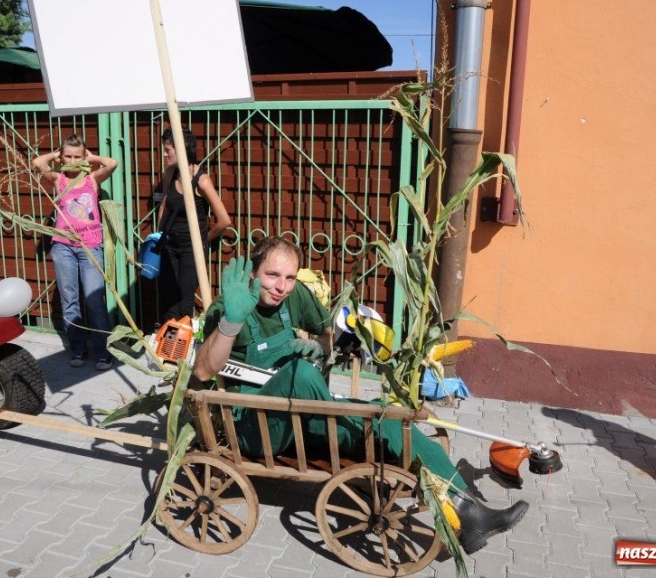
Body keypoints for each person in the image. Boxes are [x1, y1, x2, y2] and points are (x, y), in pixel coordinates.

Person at [192, 236, 529, 554]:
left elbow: (327, 331)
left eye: (290, 277)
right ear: (253, 272)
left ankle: (469, 512)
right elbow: (204, 371)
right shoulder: (230, 303)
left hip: (301, 412)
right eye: (272, 276)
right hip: (255, 426)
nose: (281, 286)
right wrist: (231, 323)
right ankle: (464, 512)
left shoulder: (293, 295)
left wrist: (318, 346)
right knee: (302, 374)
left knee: (388, 417)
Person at [32, 133, 116, 371]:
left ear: (84, 157)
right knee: (70, 301)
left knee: (94, 301)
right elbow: (38, 163)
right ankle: (78, 349)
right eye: (67, 156)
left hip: (90, 247)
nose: (72, 160)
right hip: (63, 247)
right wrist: (56, 155)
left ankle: (103, 353)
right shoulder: (58, 179)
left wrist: (92, 158)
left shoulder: (92, 179)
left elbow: (112, 164)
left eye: (76, 156)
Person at [154, 128, 231, 323]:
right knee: (168, 300)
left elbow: (224, 220)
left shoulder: (202, 180)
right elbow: (164, 204)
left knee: (184, 301)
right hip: (170, 245)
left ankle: (182, 346)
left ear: (181, 149)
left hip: (192, 249)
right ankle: (168, 349)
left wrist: (203, 240)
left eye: (168, 149)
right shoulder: (171, 173)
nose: (164, 154)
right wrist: (158, 234)